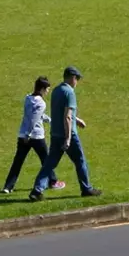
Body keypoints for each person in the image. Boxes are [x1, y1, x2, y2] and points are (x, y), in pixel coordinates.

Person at [30, 66, 101, 201]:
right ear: (72, 78)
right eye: (77, 79)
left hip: (55, 133)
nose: (77, 82)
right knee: (80, 161)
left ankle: (37, 190)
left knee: (50, 163)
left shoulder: (56, 91)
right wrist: (68, 138)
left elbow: (60, 112)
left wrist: (77, 119)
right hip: (68, 134)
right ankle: (86, 188)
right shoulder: (70, 93)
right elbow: (67, 116)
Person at [4, 76, 54, 194]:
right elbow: (34, 118)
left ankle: (8, 186)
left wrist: (48, 119)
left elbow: (34, 114)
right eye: (47, 89)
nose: (47, 92)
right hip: (35, 136)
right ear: (42, 89)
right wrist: (29, 133)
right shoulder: (41, 103)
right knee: (46, 160)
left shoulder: (28, 98)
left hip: (22, 135)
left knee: (18, 161)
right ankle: (53, 181)